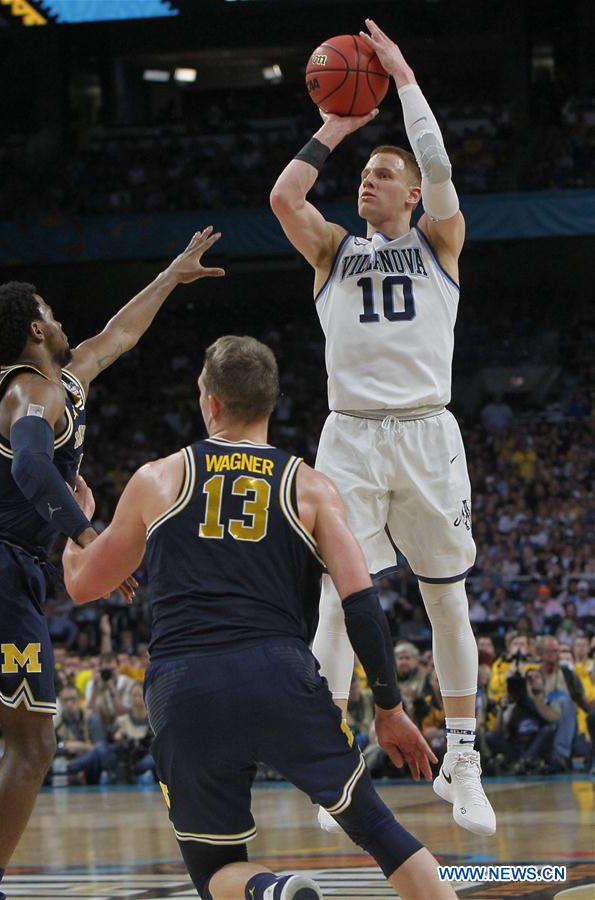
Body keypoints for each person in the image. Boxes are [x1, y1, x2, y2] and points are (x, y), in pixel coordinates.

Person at [0, 227, 224, 900]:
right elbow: (30, 463)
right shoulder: (31, 393)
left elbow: (119, 334)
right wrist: (91, 539)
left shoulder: (60, 381)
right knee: (33, 745)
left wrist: (171, 275)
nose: (64, 323)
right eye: (54, 315)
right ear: (35, 327)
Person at [63, 336, 455, 900]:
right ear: (268, 403)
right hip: (279, 676)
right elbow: (360, 603)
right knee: (380, 832)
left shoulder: (158, 479)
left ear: (212, 403)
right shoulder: (311, 487)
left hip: (184, 687)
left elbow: (82, 585)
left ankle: (270, 892)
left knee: (215, 869)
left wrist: (75, 527)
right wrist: (390, 708)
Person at [269, 19, 494, 835]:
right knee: (334, 604)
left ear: (409, 194)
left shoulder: (441, 240)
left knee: (446, 604)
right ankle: (339, 769)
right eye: (365, 172)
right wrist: (336, 125)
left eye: (383, 172)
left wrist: (399, 78)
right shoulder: (332, 251)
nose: (370, 179)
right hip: (350, 438)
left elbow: (436, 165)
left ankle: (462, 763)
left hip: (428, 434)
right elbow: (283, 198)